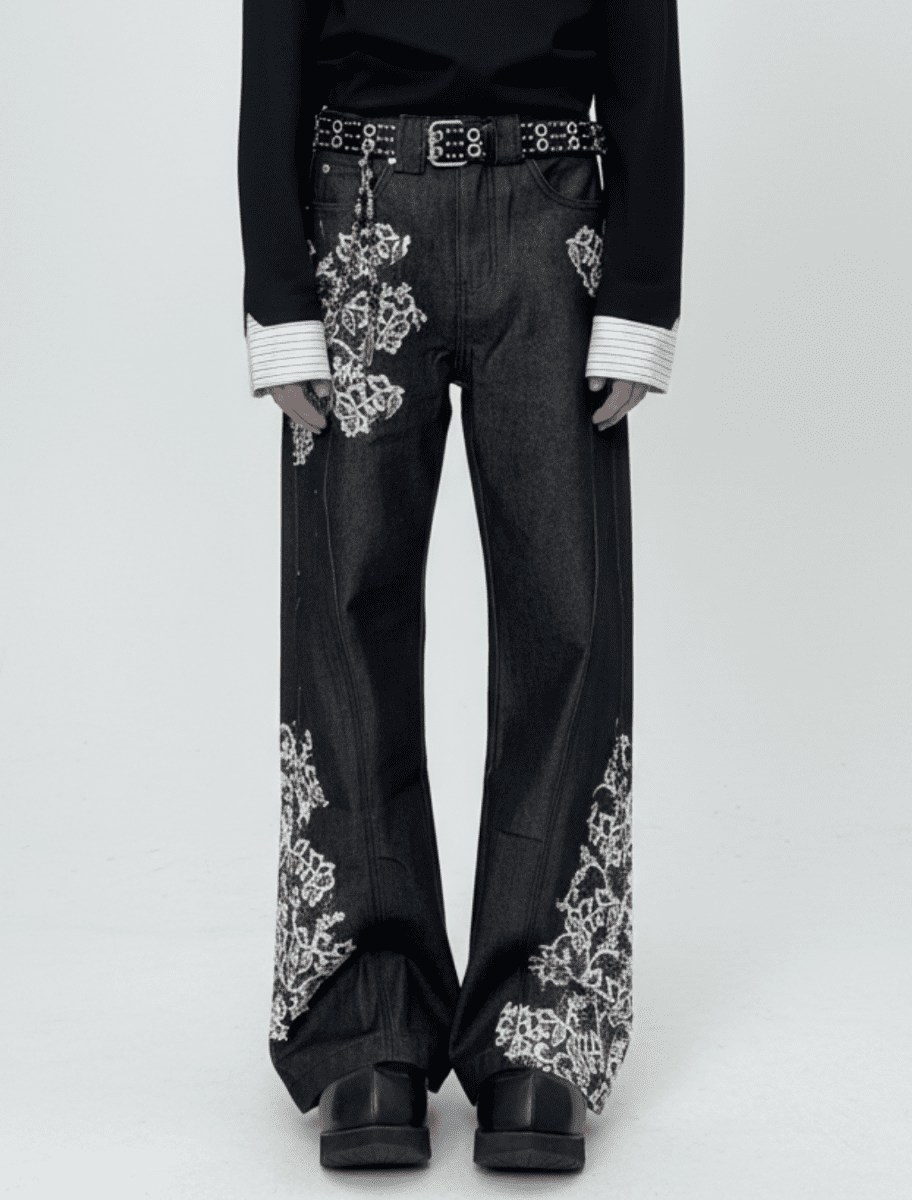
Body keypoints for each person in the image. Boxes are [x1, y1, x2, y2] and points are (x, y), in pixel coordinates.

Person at [237, 0, 683, 1173]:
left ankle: (542, 1025)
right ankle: (366, 1024)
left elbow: (643, 46)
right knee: (346, 611)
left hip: (554, 216)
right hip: (357, 206)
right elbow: (273, 41)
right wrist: (278, 293)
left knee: (567, 617)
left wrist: (641, 288)